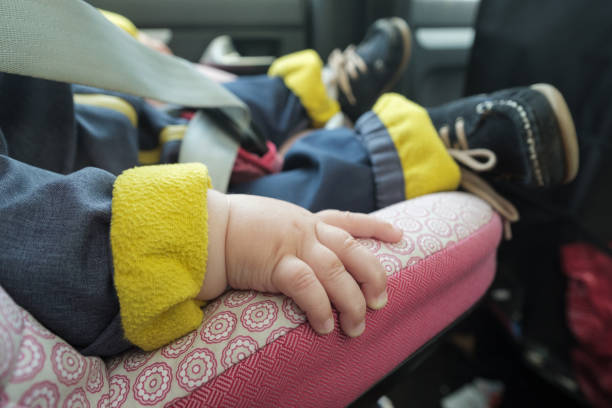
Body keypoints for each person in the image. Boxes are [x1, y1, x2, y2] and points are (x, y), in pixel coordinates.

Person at [0, 13, 578, 358]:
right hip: (109, 204)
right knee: (275, 223)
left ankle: (310, 96)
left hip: (90, 112)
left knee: (212, 101)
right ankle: (405, 153)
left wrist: (108, 41)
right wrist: (221, 239)